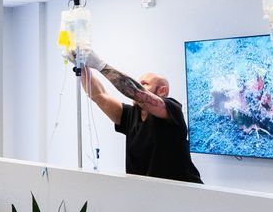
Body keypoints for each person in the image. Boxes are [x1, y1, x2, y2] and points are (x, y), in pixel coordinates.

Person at [81, 52, 203, 184]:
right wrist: (81, 66)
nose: (136, 86)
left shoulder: (172, 109)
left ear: (162, 91)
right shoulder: (129, 115)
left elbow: (137, 93)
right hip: (147, 192)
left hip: (184, 193)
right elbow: (99, 95)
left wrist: (100, 65)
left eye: (144, 84)